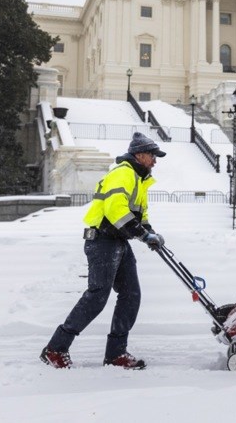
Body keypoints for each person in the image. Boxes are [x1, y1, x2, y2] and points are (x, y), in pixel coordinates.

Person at [40, 132, 167, 369]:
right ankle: (55, 349)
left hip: (118, 240)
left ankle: (116, 354)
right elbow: (115, 210)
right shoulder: (123, 174)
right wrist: (142, 234)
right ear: (140, 155)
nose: (155, 161)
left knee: (131, 295)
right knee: (97, 296)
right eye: (152, 155)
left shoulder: (140, 180)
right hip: (102, 241)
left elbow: (141, 214)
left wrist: (150, 233)